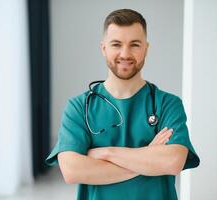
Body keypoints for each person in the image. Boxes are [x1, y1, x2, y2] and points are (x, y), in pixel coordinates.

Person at [46, 8, 200, 200]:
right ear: (104, 48)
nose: (125, 53)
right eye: (116, 44)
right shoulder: (78, 107)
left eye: (135, 44)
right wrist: (147, 158)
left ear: (146, 48)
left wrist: (106, 153)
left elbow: (172, 162)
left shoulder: (168, 104)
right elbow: (72, 170)